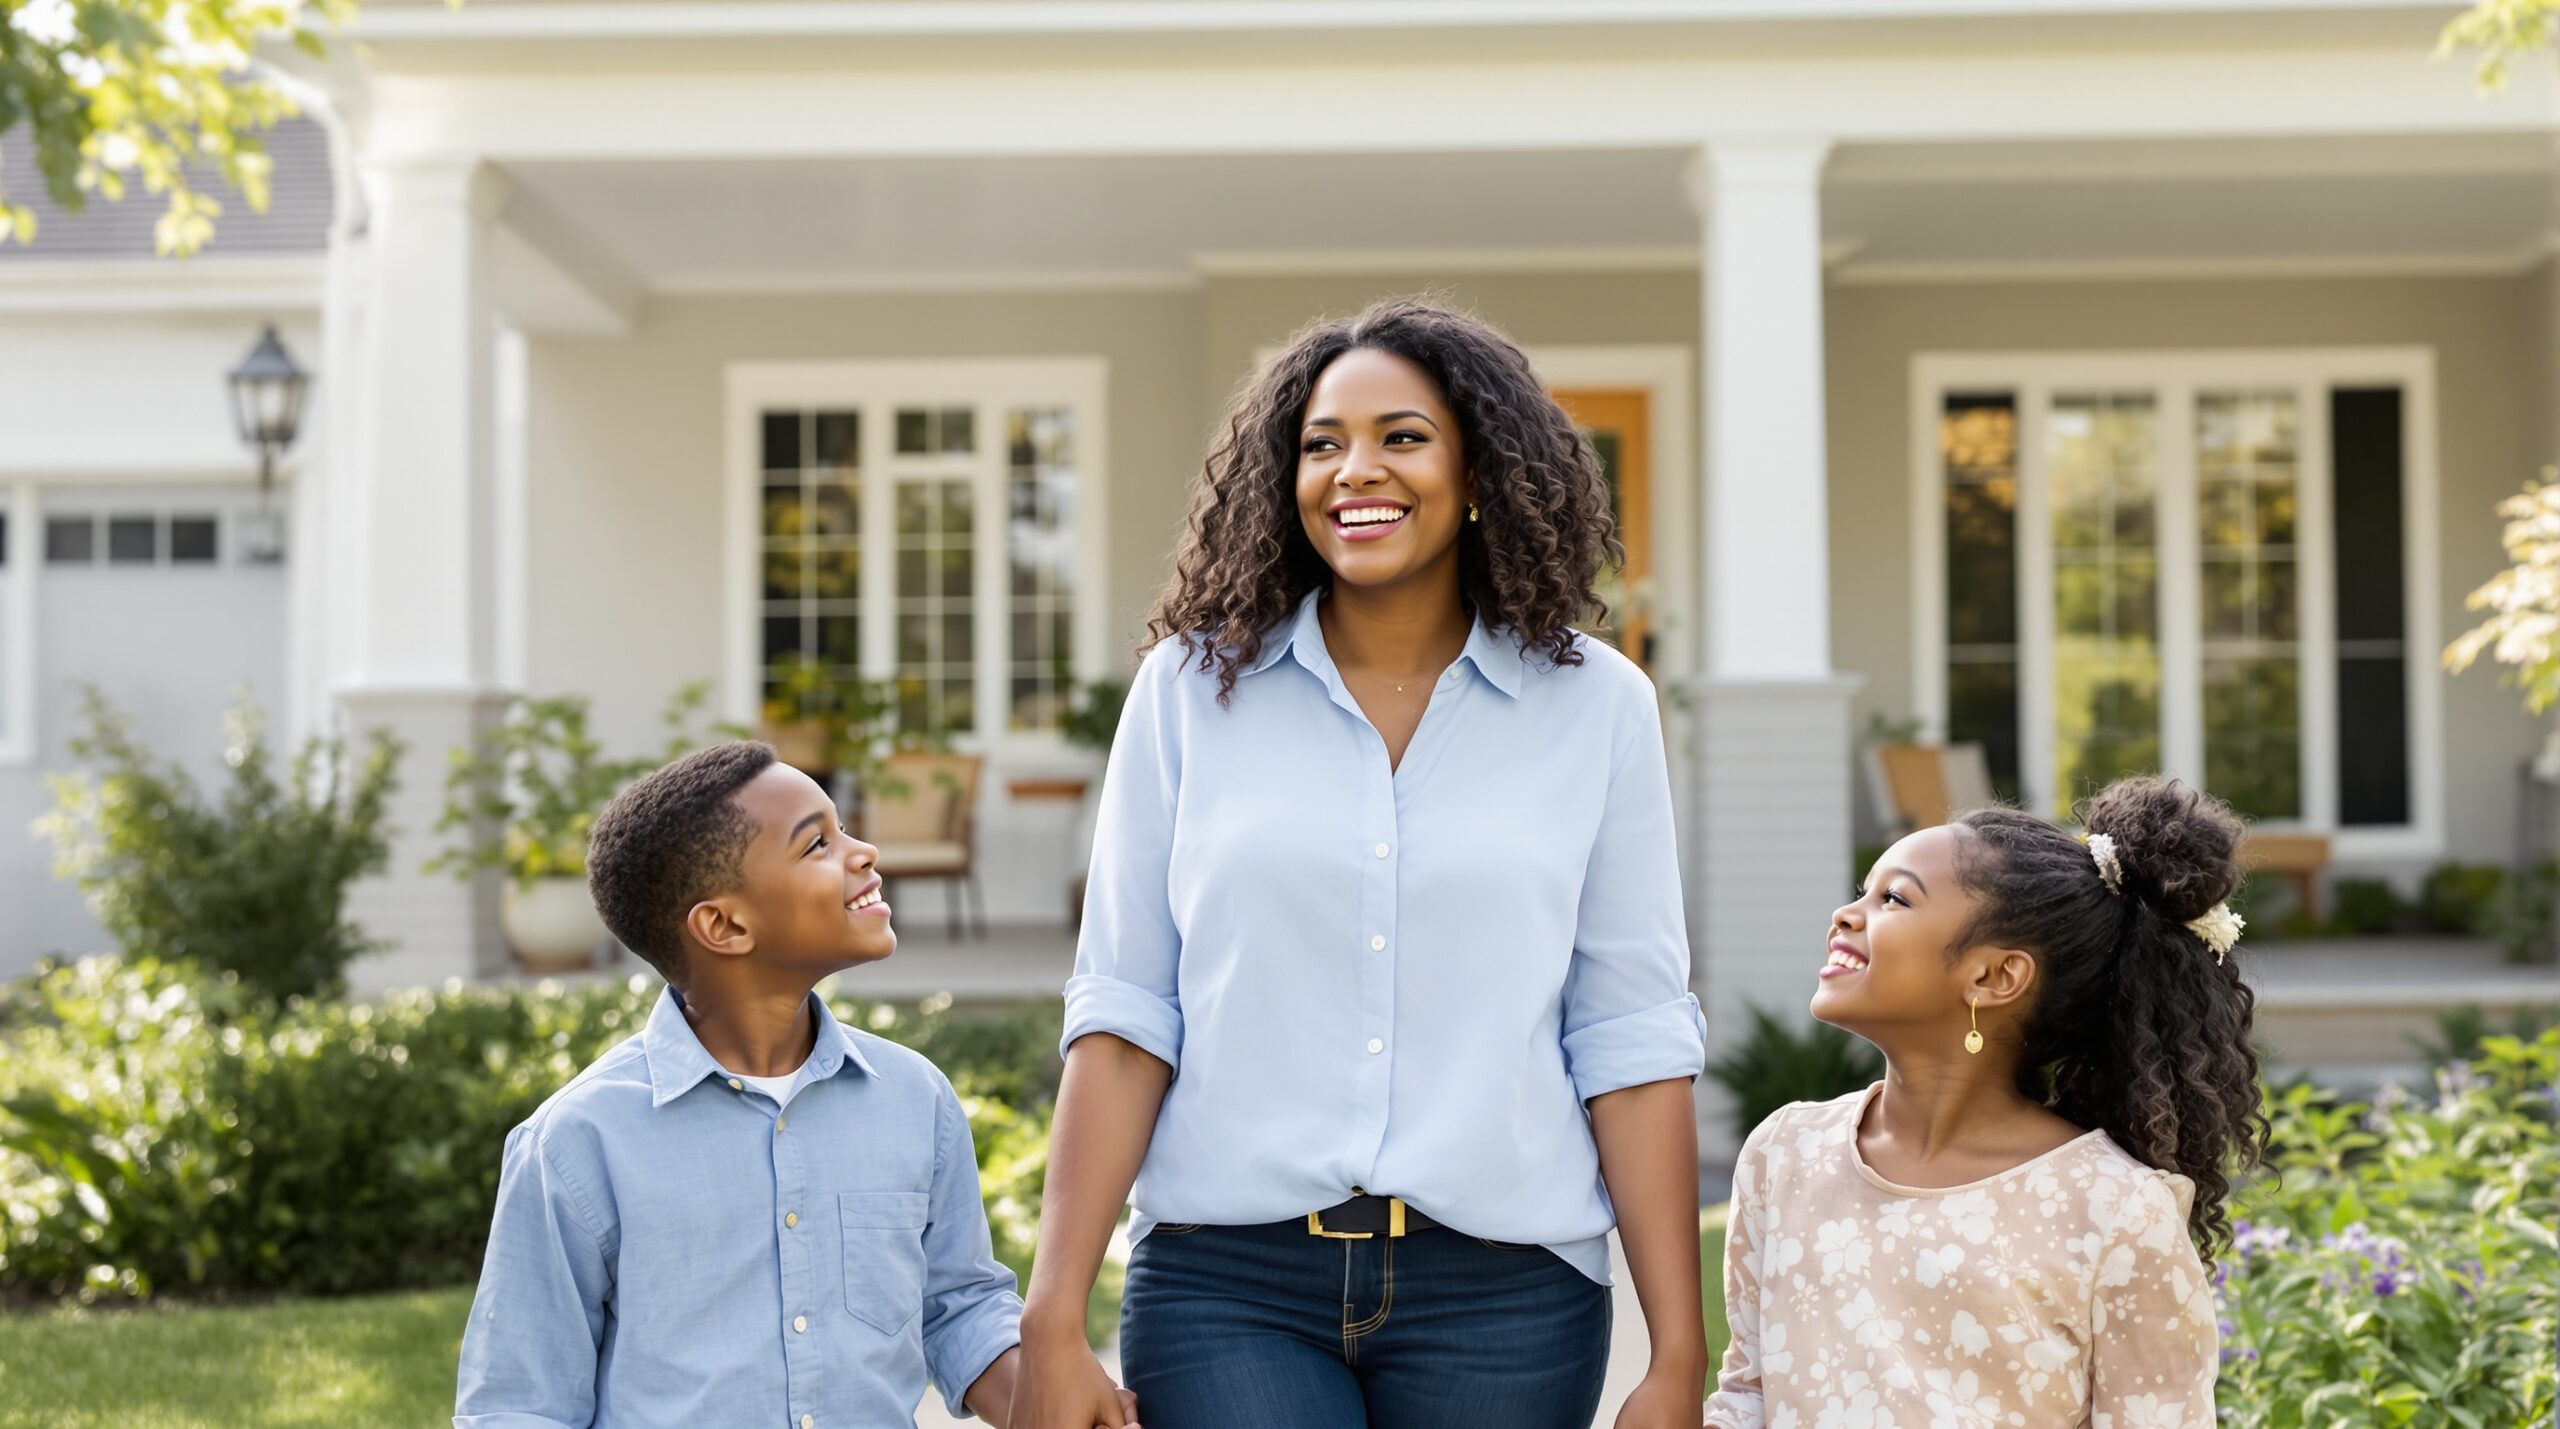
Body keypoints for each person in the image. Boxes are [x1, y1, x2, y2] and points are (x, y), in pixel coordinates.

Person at [1013, 298, 1712, 1429]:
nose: (1354, 471)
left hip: (1506, 1293)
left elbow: (1629, 1034)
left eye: (1402, 436)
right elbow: (1126, 1010)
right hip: (1228, 1282)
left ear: (1479, 470)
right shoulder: (1189, 690)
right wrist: (1051, 1318)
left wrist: (1677, 1353)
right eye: (1322, 444)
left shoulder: (1600, 707)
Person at [453, 743, 1092, 1428]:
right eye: (818, 843)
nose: (864, 851)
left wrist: (1062, 1406)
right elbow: (519, 1406)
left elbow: (957, 1308)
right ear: (724, 925)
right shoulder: (577, 1143)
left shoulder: (915, 1099)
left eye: (843, 828)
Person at [1706, 776, 2263, 1428]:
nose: (1846, 914)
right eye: (1862, 890)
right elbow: (1747, 1393)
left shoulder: (2113, 1209)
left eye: (1893, 898)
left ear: (1996, 976)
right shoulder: (1785, 1154)